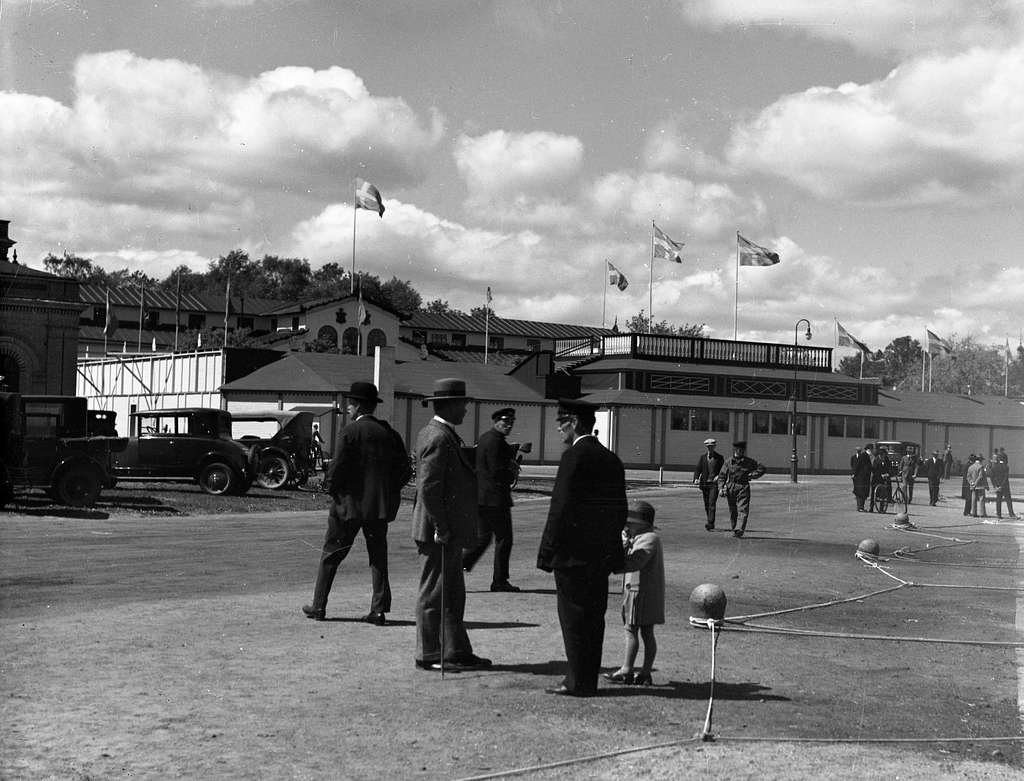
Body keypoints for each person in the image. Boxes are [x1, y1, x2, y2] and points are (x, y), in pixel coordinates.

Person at [537, 398, 627, 697]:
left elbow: (559, 508)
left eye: (561, 421)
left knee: (573, 618)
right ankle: (587, 679)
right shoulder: (611, 459)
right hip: (599, 556)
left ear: (574, 422)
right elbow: (619, 511)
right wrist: (614, 553)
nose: (559, 427)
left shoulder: (572, 458)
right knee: (594, 619)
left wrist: (547, 551)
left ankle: (577, 682)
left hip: (572, 555)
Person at [302, 381, 411, 624]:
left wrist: (332, 489)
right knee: (378, 557)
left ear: (358, 405)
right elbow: (404, 470)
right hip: (377, 508)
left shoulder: (349, 432)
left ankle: (319, 606)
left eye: (350, 403)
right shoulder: (389, 433)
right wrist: (388, 491)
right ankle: (379, 610)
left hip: (348, 507)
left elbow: (337, 468)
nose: (348, 407)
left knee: (332, 555)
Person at [411, 378, 491, 671]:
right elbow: (429, 488)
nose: (467, 410)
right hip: (437, 532)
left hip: (446, 530)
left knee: (453, 594)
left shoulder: (444, 434)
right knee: (434, 593)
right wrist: (441, 527)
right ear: (449, 405)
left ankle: (455, 649)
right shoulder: (438, 437)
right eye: (463, 404)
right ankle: (429, 653)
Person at [604, 499, 664, 686]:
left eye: (630, 522)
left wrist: (616, 555)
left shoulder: (649, 539)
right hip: (635, 591)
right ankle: (636, 671)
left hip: (642, 593)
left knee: (636, 632)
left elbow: (634, 563)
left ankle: (632, 670)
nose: (627, 524)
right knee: (640, 632)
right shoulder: (637, 538)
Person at [463, 407, 521, 592]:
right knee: (504, 539)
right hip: (495, 499)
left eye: (511, 422)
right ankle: (499, 580)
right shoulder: (496, 442)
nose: (508, 426)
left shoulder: (486, 439)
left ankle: (455, 567)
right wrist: (511, 471)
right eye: (505, 422)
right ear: (496, 422)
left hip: (482, 497)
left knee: (484, 538)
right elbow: (497, 471)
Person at [717, 441, 767, 537]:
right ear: (734, 450)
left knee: (743, 509)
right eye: (737, 449)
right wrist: (721, 488)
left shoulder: (749, 462)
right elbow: (722, 476)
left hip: (743, 487)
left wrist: (752, 475)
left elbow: (762, 468)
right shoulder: (728, 461)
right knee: (733, 510)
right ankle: (735, 527)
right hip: (731, 486)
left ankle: (739, 529)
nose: (739, 451)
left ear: (743, 451)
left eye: (741, 450)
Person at [693, 438, 724, 530]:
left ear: (714, 447)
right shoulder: (703, 457)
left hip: (714, 485)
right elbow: (698, 469)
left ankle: (710, 523)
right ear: (706, 447)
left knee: (711, 503)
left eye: (712, 446)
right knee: (706, 504)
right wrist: (695, 479)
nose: (710, 448)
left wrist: (718, 476)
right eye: (708, 447)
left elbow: (724, 470)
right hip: (704, 484)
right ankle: (709, 520)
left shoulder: (719, 458)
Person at [989, 452, 1017, 520]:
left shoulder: (994, 467)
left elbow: (992, 477)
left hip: (997, 486)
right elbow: (1005, 477)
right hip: (1005, 486)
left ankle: (999, 514)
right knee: (1008, 500)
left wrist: (995, 486)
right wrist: (1002, 485)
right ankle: (1011, 514)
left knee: (998, 500)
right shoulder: (1006, 467)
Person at [869, 446, 890, 513]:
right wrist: (880, 475)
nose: (884, 456)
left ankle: (881, 508)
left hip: (884, 479)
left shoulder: (886, 459)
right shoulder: (876, 460)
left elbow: (889, 468)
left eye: (885, 454)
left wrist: (887, 473)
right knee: (873, 494)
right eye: (883, 454)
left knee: (883, 494)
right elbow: (874, 470)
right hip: (876, 478)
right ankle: (871, 508)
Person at [852, 445, 872, 511]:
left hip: (864, 477)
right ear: (868, 449)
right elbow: (858, 466)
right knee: (861, 492)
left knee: (863, 493)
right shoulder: (863, 456)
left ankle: (861, 507)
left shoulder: (866, 456)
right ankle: (860, 507)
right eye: (871, 449)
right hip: (861, 478)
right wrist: (854, 474)